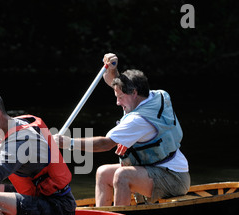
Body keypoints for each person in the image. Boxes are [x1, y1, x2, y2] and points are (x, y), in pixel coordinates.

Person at [54, 53, 190, 206]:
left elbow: (105, 144)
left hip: (173, 178)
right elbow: (116, 83)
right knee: (103, 173)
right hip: (153, 169)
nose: (118, 103)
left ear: (134, 93)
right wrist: (113, 69)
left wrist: (68, 143)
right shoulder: (157, 95)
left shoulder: (138, 120)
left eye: (120, 97)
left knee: (122, 175)